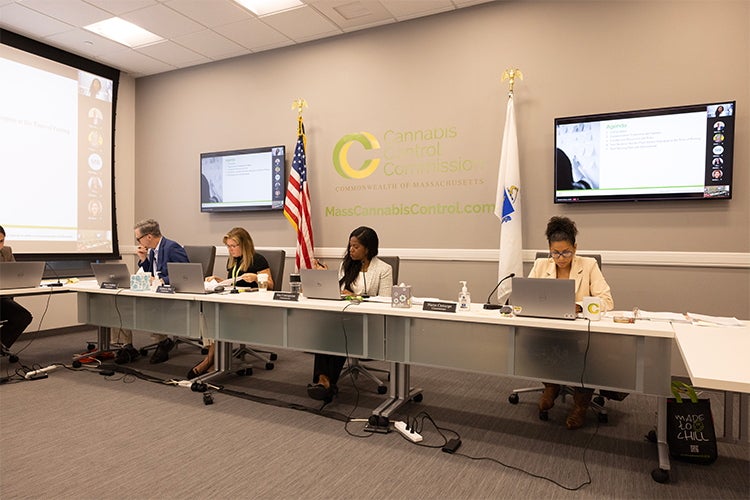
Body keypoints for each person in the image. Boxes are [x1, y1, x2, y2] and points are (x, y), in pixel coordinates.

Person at [528, 216, 614, 430]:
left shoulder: (589, 265)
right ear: (549, 249)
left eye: (566, 252)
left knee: (584, 353)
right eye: (555, 252)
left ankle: (580, 405)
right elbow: (528, 297)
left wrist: (580, 306)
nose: (560, 257)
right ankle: (551, 385)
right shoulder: (541, 265)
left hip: (580, 334)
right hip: (548, 330)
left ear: (575, 248)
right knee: (529, 341)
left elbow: (607, 302)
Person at [306, 226, 393, 401]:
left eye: (356, 247)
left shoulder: (384, 269)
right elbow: (337, 292)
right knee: (328, 330)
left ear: (368, 249)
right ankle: (324, 381)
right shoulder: (345, 265)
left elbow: (385, 301)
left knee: (338, 333)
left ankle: (326, 382)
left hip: (369, 322)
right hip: (344, 317)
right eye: (350, 246)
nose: (351, 250)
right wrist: (326, 278)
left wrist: (357, 296)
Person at [188, 227, 273, 379]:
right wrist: (220, 281)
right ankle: (213, 359)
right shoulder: (232, 261)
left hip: (251, 307)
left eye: (234, 246)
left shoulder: (258, 259)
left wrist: (255, 278)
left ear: (245, 245)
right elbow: (234, 283)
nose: (230, 249)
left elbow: (271, 285)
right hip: (233, 303)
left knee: (217, 317)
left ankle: (209, 361)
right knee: (208, 313)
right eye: (228, 246)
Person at [114, 219, 189, 365]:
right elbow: (151, 273)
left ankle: (162, 342)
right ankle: (126, 345)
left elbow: (184, 273)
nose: (138, 242)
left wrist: (163, 280)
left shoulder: (171, 247)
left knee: (151, 306)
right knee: (119, 302)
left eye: (138, 238)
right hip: (154, 291)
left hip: (170, 294)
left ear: (148, 237)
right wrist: (143, 259)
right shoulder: (154, 250)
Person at [0, 226, 34, 356]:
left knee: (23, 316)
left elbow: (14, 275)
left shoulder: (6, 251)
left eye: (1, 241)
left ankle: (1, 344)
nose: (0, 245)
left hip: (2, 298)